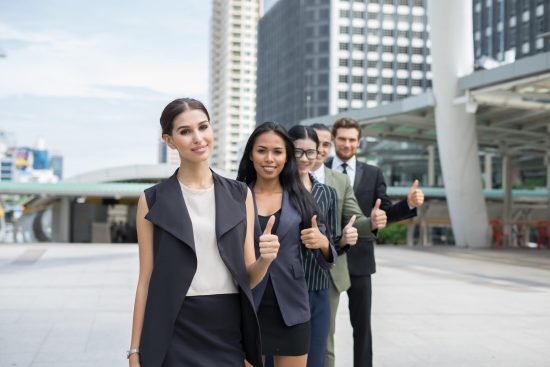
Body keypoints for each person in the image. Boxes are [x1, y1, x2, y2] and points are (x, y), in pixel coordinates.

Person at [128, 98, 278, 367]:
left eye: (203, 127)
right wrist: (135, 350)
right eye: (185, 131)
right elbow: (145, 280)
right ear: (169, 140)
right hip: (174, 326)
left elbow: (248, 277)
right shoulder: (152, 200)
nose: (198, 138)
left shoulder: (240, 194)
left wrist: (265, 260)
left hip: (227, 327)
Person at [325, 117, 425, 367]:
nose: (347, 144)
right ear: (333, 140)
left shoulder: (373, 173)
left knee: (362, 328)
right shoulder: (319, 169)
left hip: (360, 260)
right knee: (325, 328)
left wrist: (409, 204)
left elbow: (383, 214)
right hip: (328, 258)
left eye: (352, 140)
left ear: (359, 143)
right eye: (342, 139)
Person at [237, 121, 337, 367]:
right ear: (251, 154)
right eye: (262, 150)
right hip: (246, 306)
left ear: (286, 157)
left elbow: (328, 256)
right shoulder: (236, 196)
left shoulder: (300, 197)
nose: (269, 158)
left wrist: (322, 242)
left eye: (278, 152)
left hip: (291, 307)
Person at [309, 123, 387, 367]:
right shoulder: (287, 176)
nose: (320, 150)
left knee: (325, 340)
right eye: (315, 145)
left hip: (334, 264)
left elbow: (356, 218)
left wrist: (372, 222)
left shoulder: (339, 180)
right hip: (293, 269)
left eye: (324, 145)